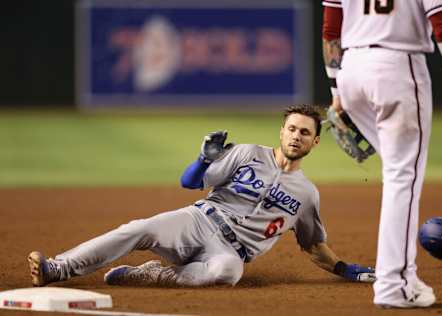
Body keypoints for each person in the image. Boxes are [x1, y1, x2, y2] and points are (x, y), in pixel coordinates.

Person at [28, 104, 375, 288]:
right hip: (199, 220)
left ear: (315, 141)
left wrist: (345, 269)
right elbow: (189, 182)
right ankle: (59, 268)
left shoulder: (307, 194)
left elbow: (313, 246)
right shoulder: (248, 153)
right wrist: (203, 160)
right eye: (292, 129)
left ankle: (150, 275)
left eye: (305, 133)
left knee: (227, 273)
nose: (297, 136)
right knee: (138, 228)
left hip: (230, 252)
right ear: (281, 132)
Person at [322, 0, 442, 309]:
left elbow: (330, 28)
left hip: (351, 71)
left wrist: (335, 90)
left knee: (397, 173)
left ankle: (402, 276)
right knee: (402, 178)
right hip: (397, 67)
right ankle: (394, 284)